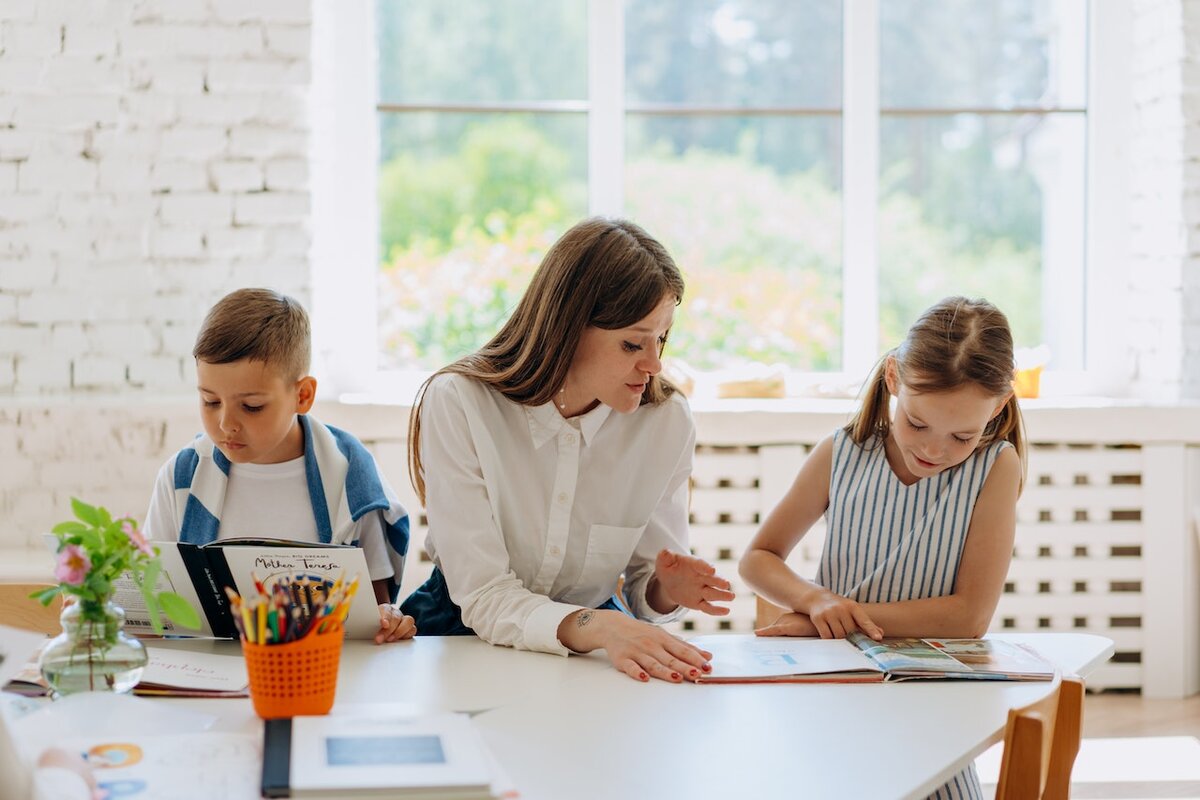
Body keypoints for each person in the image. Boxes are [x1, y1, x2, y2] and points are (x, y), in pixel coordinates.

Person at [400, 217, 735, 682]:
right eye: (632, 343)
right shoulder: (461, 402)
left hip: (598, 644)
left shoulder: (666, 421)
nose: (654, 364)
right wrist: (600, 626)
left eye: (661, 338)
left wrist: (665, 589)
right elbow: (483, 595)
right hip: (458, 634)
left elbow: (645, 588)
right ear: (568, 327)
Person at [739, 296, 1025, 800]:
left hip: (932, 708)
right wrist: (815, 602)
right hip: (836, 692)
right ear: (894, 378)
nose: (933, 450)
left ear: (998, 407)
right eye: (917, 423)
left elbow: (968, 617)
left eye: (961, 435)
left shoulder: (996, 468)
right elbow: (758, 558)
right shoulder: (842, 452)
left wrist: (833, 622)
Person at [143, 288, 416, 644]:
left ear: (302, 396)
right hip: (207, 678)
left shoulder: (351, 476)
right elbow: (152, 597)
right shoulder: (182, 477)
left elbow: (373, 613)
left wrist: (389, 621)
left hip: (320, 675)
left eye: (252, 406)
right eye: (210, 401)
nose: (226, 423)